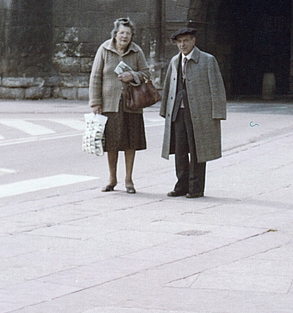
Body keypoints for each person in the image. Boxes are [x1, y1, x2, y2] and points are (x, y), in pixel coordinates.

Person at [160, 27, 226, 198]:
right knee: (179, 149)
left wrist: (217, 113)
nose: (182, 45)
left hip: (199, 112)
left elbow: (217, 88)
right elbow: (168, 87)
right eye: (179, 42)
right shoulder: (174, 61)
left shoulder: (207, 60)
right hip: (178, 111)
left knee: (198, 150)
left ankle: (195, 188)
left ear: (193, 41)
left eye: (186, 41)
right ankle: (181, 185)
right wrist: (164, 110)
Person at [89, 17, 150, 193]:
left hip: (132, 104)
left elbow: (146, 73)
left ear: (132, 36)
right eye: (122, 33)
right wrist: (95, 102)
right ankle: (112, 178)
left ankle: (129, 179)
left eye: (128, 34)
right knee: (112, 143)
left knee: (131, 143)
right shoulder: (104, 49)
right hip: (109, 105)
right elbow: (95, 76)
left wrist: (133, 76)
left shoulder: (136, 51)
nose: (125, 36)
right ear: (115, 34)